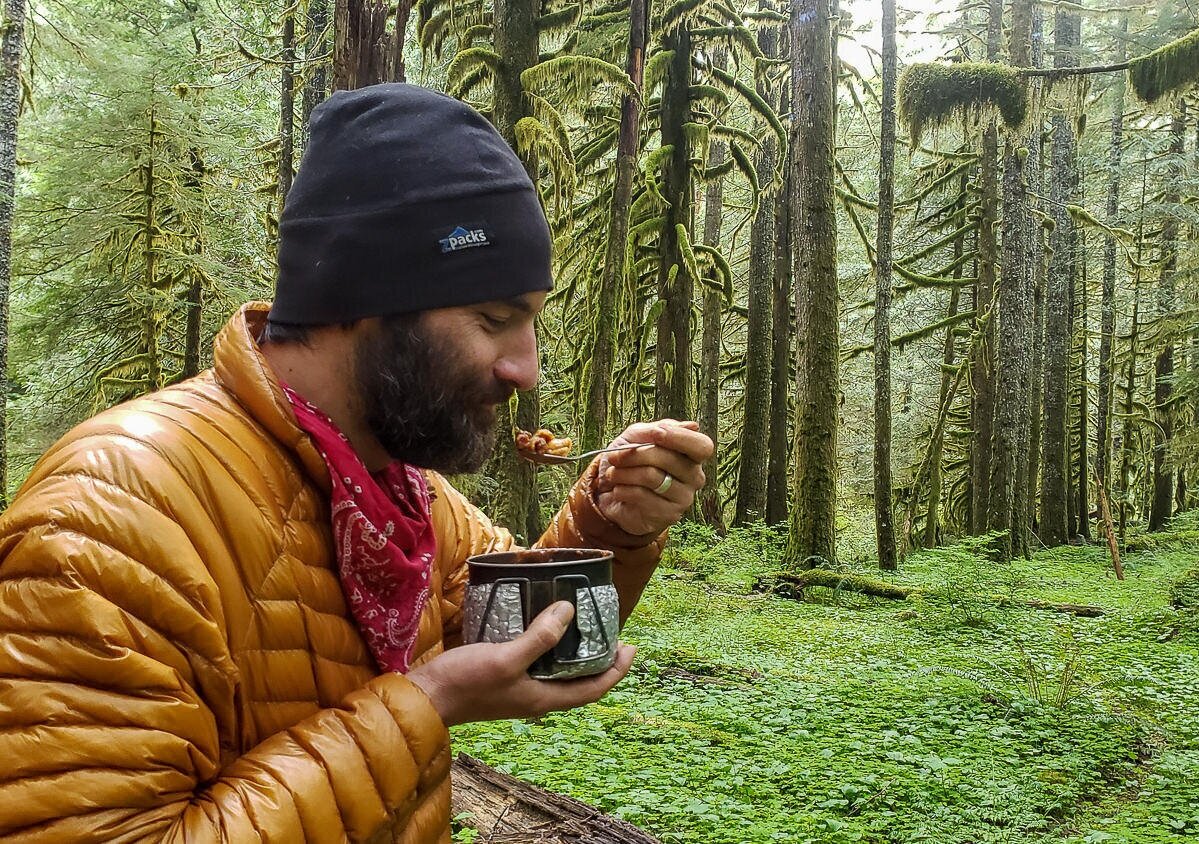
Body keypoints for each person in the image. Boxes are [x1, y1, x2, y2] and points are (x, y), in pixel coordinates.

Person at [0, 83, 714, 842]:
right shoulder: (110, 521)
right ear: (366, 297)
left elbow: (513, 626)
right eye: (493, 319)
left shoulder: (394, 490)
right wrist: (424, 704)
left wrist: (616, 520)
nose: (525, 369)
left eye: (529, 322)